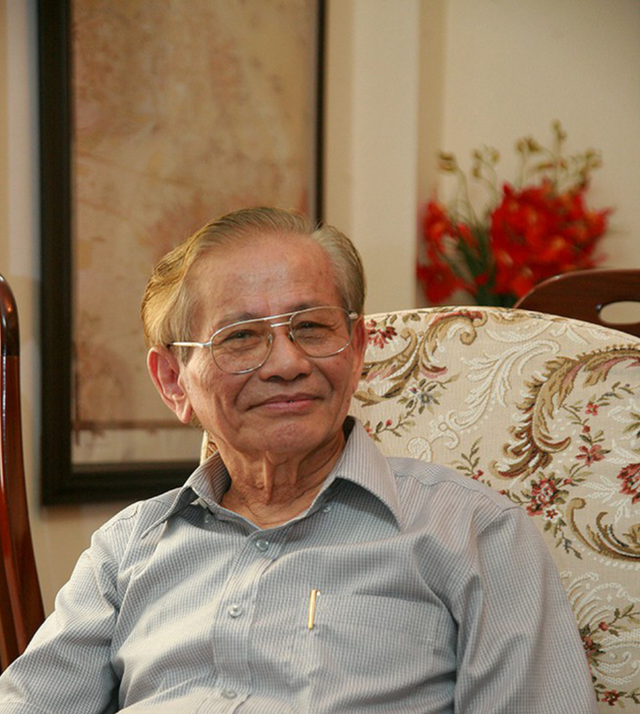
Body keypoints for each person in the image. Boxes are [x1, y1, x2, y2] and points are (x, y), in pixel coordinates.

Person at [0, 207, 597, 713]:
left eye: (311, 327)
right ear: (173, 382)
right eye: (240, 337)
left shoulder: (476, 535)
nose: (287, 363)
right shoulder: (125, 552)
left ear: (356, 351)